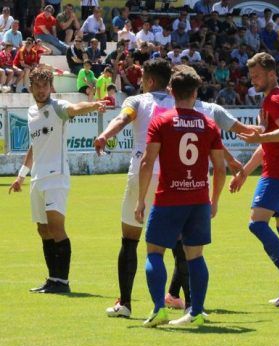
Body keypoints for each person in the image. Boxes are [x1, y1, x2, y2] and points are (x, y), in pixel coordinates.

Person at [93, 59, 247, 318]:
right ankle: (190, 306)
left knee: (131, 240)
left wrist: (105, 135)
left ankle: (127, 304)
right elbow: (209, 135)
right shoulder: (192, 107)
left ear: (150, 80)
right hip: (178, 179)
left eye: (142, 77)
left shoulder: (139, 101)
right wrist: (230, 161)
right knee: (185, 247)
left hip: (145, 176)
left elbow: (122, 119)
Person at [135, 66, 226, 327]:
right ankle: (196, 311)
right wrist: (215, 199)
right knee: (195, 255)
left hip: (168, 198)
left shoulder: (161, 121)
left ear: (171, 91)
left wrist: (141, 199)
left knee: (154, 252)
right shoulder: (208, 124)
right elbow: (220, 168)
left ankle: (158, 309)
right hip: (198, 199)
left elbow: (147, 161)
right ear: (196, 92)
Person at [8, 67, 106, 294]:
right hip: (37, 179)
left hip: (56, 177)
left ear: (51, 87)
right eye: (37, 86)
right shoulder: (32, 112)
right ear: (30, 87)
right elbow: (35, 146)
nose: (41, 90)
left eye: (45, 86)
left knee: (56, 227)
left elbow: (75, 108)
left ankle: (62, 281)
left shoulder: (57, 107)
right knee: (42, 230)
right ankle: (52, 279)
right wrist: (21, 176)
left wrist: (93, 105)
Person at [234, 52, 279, 306]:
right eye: (251, 76)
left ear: (271, 74)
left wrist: (260, 137)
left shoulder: (275, 99)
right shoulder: (271, 100)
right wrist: (245, 171)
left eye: (257, 76)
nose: (253, 80)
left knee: (256, 223)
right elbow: (267, 144)